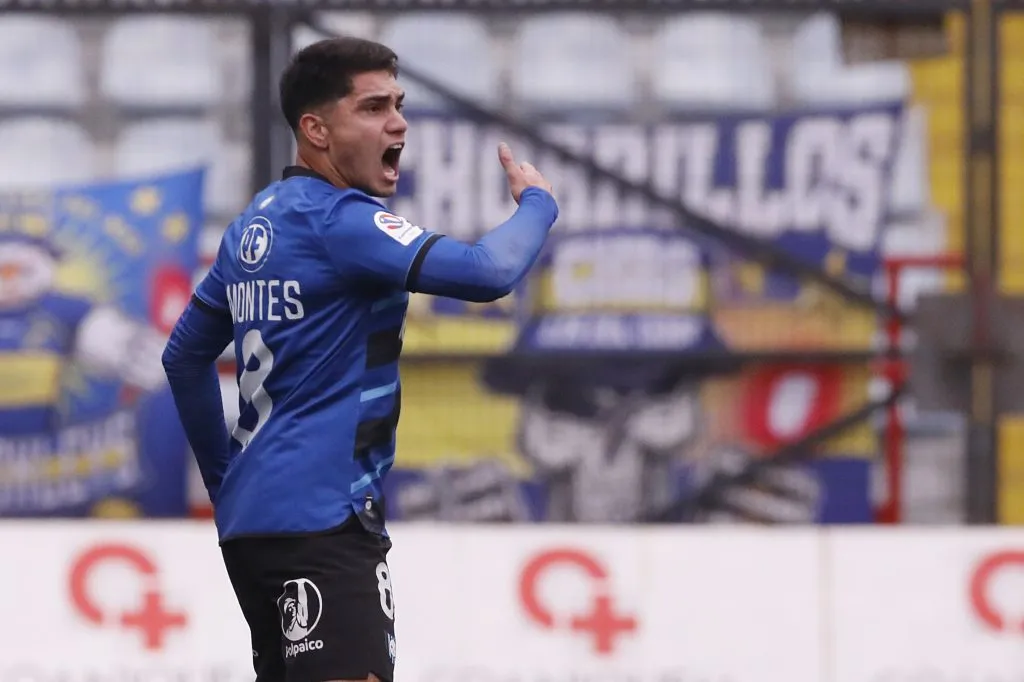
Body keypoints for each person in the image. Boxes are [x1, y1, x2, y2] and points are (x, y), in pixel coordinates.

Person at [161, 36, 558, 682]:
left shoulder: (254, 225)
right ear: (315, 129)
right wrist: (539, 203)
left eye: (399, 104)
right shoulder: (341, 222)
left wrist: (225, 481)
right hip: (324, 524)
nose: (398, 122)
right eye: (373, 108)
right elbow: (490, 272)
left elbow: (184, 358)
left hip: (253, 527)